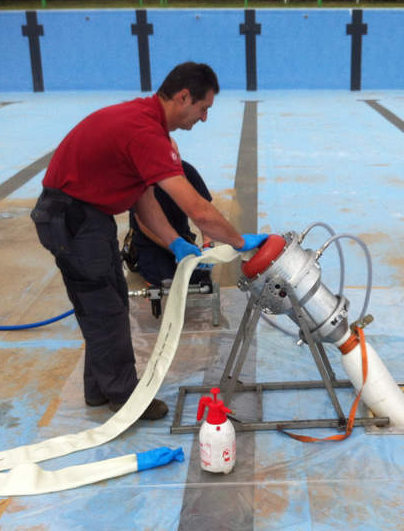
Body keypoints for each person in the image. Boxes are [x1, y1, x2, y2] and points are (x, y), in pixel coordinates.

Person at [31, 61, 267, 420]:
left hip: (85, 217)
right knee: (104, 308)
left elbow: (145, 200)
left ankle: (98, 389)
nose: (203, 118)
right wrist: (238, 241)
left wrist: (175, 242)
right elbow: (198, 210)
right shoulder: (144, 131)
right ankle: (125, 398)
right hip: (73, 218)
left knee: (106, 303)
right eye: (203, 108)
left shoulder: (143, 122)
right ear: (183, 97)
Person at [122, 157, 214, 289]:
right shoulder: (141, 175)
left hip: (182, 238)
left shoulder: (186, 171)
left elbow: (205, 211)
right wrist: (175, 246)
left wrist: (208, 245)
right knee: (165, 281)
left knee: (199, 278)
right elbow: (144, 223)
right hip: (149, 242)